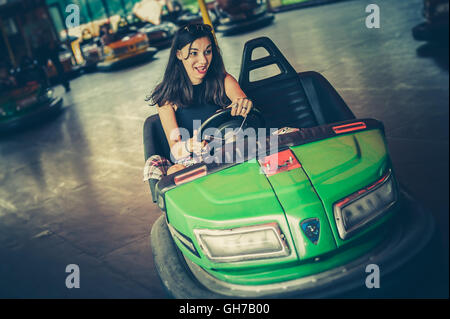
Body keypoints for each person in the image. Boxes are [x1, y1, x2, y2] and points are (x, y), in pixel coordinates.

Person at [143, 23, 254, 182]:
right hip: (194, 161)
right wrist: (190, 145)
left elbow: (239, 98)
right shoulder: (167, 96)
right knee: (174, 170)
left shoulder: (223, 80)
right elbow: (176, 149)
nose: (203, 60)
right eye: (194, 53)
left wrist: (242, 104)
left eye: (207, 52)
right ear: (179, 54)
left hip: (229, 150)